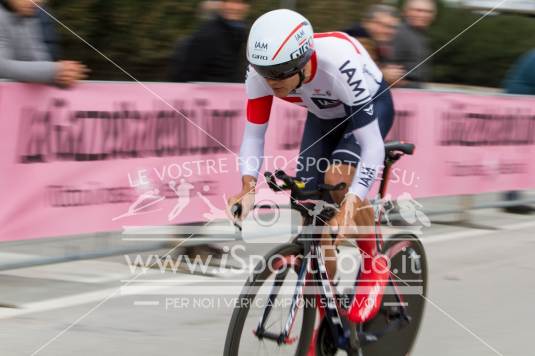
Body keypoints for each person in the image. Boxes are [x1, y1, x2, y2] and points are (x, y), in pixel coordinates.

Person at [227, 9, 395, 324]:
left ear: (303, 64)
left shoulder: (339, 64)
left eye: (279, 73)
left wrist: (351, 203)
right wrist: (247, 188)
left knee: (338, 177)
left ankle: (374, 261)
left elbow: (372, 147)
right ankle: (325, 320)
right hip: (323, 115)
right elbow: (253, 135)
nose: (270, 81)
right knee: (310, 214)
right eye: (264, 72)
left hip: (369, 106)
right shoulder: (261, 74)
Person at [0, 0, 88, 87]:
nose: (38, 1)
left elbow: (38, 61)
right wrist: (54, 71)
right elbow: (2, 67)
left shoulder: (29, 16)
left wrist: (63, 75)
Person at [169, 0, 250, 83]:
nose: (234, 7)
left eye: (239, 3)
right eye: (229, 2)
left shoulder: (245, 35)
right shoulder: (207, 35)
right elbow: (184, 77)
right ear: (221, 5)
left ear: (246, 7)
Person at [501, 49, 535, 214]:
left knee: (521, 154)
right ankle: (511, 199)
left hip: (523, 106)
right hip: (518, 108)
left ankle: (512, 198)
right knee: (517, 154)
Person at [344, 4, 405, 85]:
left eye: (393, 27)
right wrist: (383, 75)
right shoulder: (354, 42)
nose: (389, 31)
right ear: (366, 22)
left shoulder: (377, 43)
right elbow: (351, 79)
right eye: (384, 25)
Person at [391, 0, 436, 88]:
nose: (423, 15)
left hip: (417, 92)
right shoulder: (397, 33)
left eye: (428, 12)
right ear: (405, 12)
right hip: (401, 94)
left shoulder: (421, 36)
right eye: (418, 10)